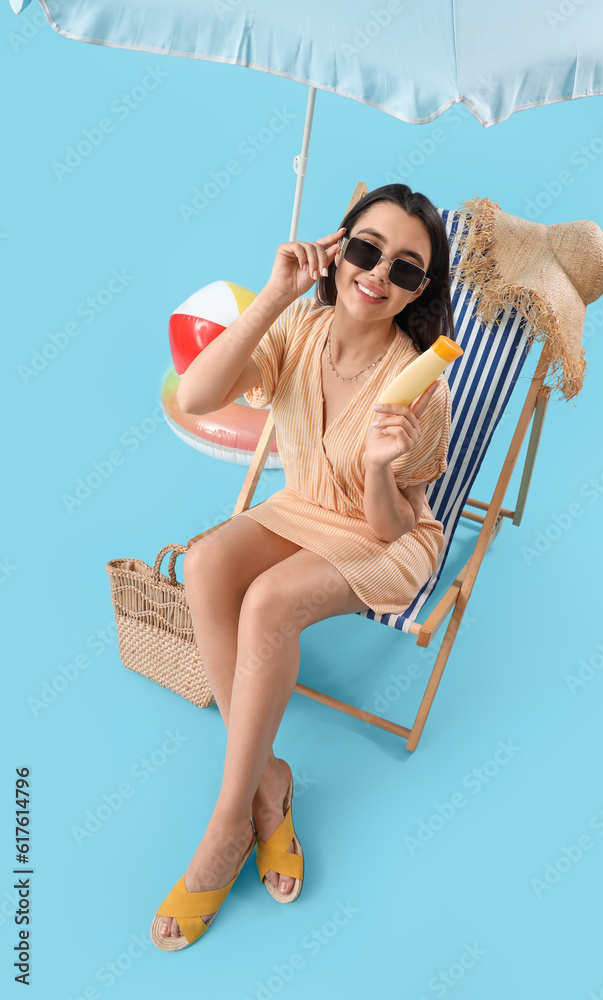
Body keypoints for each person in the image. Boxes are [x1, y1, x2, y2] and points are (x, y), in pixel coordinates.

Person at [151, 183, 456, 949]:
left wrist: (385, 466)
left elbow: (395, 523)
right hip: (304, 506)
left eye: (407, 269)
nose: (378, 273)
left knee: (267, 604)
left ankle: (227, 826)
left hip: (384, 534)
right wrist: (278, 291)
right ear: (336, 246)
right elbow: (195, 393)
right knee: (208, 562)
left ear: (420, 289)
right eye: (365, 248)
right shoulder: (300, 326)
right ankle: (269, 781)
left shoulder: (422, 382)